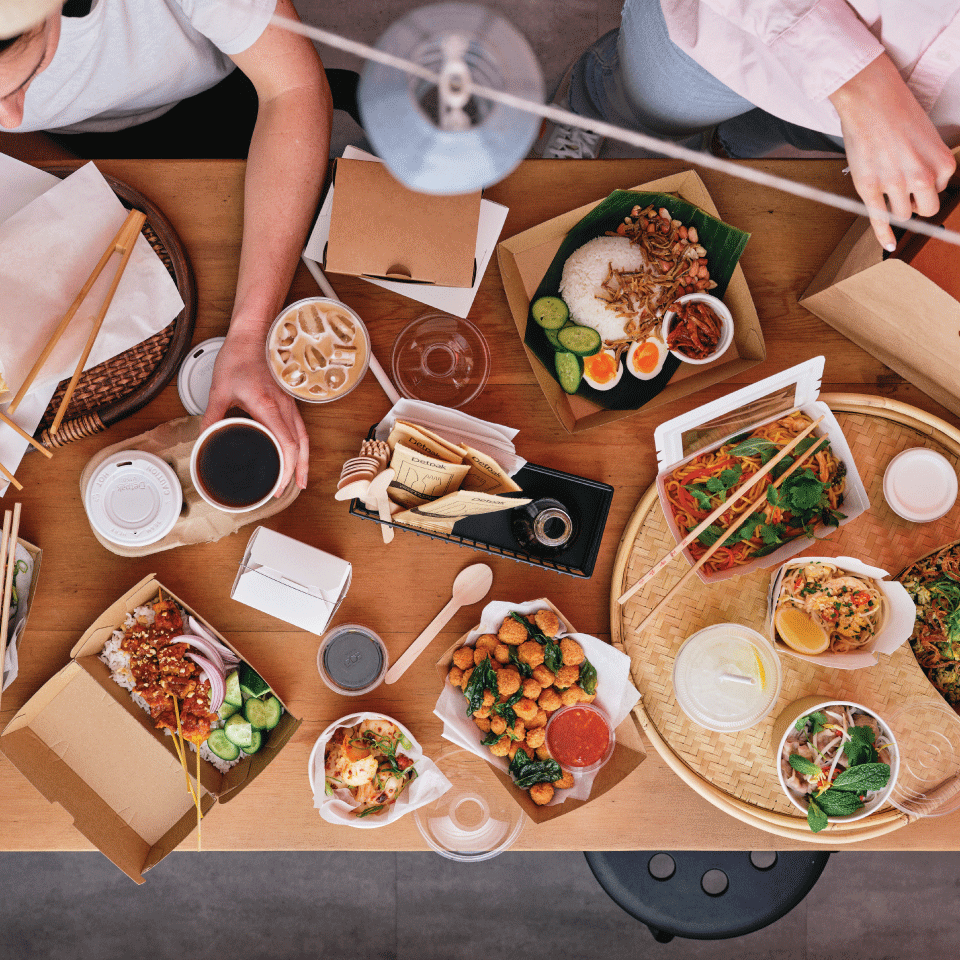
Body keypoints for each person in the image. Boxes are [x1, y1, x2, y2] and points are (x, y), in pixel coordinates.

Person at [0, 0, 333, 494]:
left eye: (20, 82)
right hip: (63, 143)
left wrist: (249, 331)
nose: (9, 117)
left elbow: (293, 89)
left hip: (222, 96)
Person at [538, 0, 958, 252]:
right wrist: (860, 82)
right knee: (640, 105)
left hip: (924, 124)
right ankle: (587, 111)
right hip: (729, 30)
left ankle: (716, 146)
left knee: (755, 137)